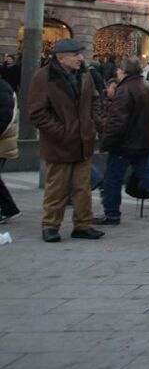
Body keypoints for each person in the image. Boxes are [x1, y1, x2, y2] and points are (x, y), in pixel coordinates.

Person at [27, 38, 103, 242]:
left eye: (80, 53)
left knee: (82, 187)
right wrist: (61, 132)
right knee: (56, 188)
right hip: (59, 143)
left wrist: (91, 123)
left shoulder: (85, 75)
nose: (81, 58)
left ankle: (83, 225)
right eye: (75, 54)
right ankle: (50, 226)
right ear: (60, 58)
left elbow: (95, 100)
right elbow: (37, 113)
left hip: (82, 140)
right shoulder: (43, 77)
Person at [95, 57, 149, 226]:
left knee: (112, 178)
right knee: (146, 174)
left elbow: (118, 121)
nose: (117, 72)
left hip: (125, 143)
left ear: (124, 71)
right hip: (143, 141)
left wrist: (106, 142)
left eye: (119, 69)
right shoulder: (148, 87)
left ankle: (111, 214)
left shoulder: (124, 89)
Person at [0, 75, 20, 223]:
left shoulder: (3, 88)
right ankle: (8, 209)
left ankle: (6, 209)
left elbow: (5, 117)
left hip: (2, 141)